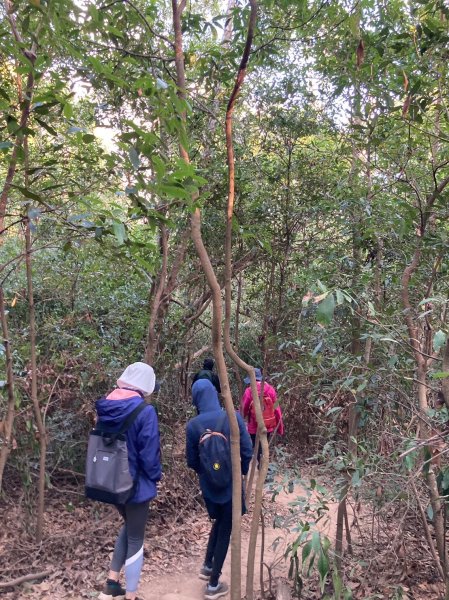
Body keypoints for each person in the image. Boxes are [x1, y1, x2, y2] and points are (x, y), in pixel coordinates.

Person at [97, 362, 161, 600]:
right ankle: (131, 594)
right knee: (136, 537)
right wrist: (155, 477)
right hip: (136, 485)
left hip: (110, 482)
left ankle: (112, 584)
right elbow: (149, 453)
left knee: (129, 527)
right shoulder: (144, 412)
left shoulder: (106, 406)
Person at [186, 379, 253, 599]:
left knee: (219, 522)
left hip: (209, 488)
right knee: (226, 529)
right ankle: (213, 585)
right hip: (231, 485)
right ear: (215, 394)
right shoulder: (231, 417)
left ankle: (207, 565)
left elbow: (192, 461)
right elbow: (246, 451)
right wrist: (239, 473)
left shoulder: (193, 425)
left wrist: (208, 473)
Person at [241, 368, 284, 465]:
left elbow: (244, 409)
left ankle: (259, 466)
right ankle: (263, 466)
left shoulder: (249, 391)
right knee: (264, 447)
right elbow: (277, 409)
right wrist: (280, 427)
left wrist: (242, 417)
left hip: (253, 427)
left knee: (256, 448)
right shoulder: (270, 389)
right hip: (267, 425)